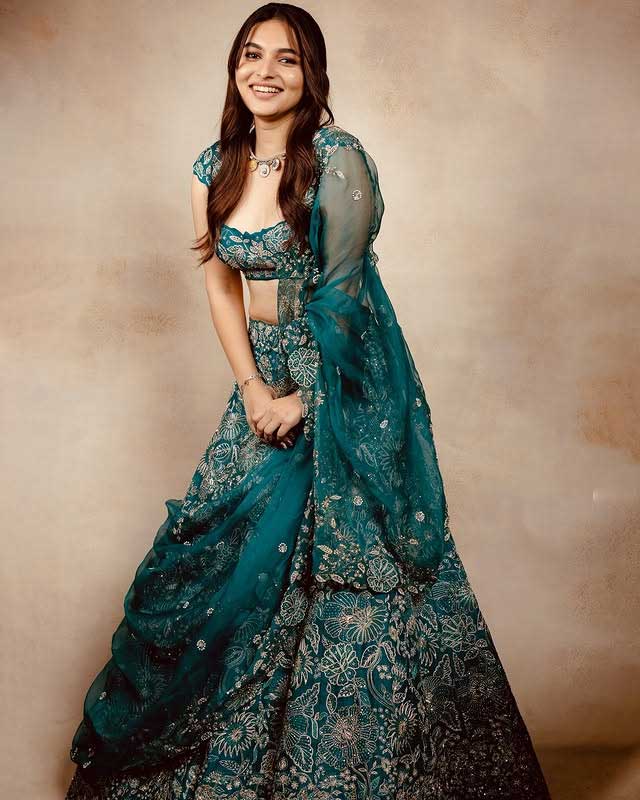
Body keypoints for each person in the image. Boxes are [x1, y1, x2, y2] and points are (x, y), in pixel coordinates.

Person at [65, 4, 553, 799]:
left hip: (339, 384)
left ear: (311, 75)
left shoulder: (336, 158)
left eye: (286, 59)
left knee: (344, 571)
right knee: (231, 559)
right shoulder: (213, 167)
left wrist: (306, 400)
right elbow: (221, 287)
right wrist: (255, 389)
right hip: (262, 379)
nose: (265, 71)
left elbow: (344, 295)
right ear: (234, 68)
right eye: (251, 55)